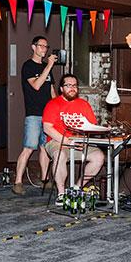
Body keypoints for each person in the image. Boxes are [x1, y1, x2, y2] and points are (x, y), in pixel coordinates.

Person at [42, 74, 105, 205]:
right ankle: (61, 193)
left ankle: (76, 188)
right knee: (60, 155)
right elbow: (47, 128)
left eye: (74, 85)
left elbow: (91, 127)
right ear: (61, 88)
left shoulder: (84, 104)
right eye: (68, 85)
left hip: (79, 143)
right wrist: (68, 142)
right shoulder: (53, 104)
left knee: (99, 157)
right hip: (57, 141)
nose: (72, 88)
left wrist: (99, 132)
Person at [12, 36, 57, 196]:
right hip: (33, 114)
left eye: (46, 46)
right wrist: (50, 65)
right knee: (29, 148)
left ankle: (45, 179)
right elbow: (37, 85)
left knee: (45, 147)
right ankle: (17, 182)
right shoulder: (28, 66)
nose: (44, 49)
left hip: (48, 115)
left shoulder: (47, 67)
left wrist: (57, 107)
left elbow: (51, 90)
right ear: (33, 47)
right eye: (41, 46)